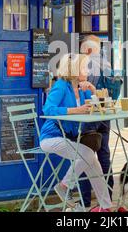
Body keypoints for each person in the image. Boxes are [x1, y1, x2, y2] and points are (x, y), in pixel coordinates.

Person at [39, 53, 112, 212]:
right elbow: (48, 109)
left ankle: (106, 207)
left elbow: (97, 107)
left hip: (71, 137)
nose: (87, 71)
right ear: (74, 69)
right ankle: (65, 184)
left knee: (93, 161)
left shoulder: (82, 88)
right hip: (52, 137)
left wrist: (93, 90)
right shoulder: (61, 85)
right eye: (84, 67)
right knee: (87, 155)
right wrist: (75, 110)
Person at [78, 35, 114, 211]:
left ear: (88, 50)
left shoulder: (87, 64)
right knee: (104, 156)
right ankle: (107, 200)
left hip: (90, 116)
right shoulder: (107, 64)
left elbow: (82, 91)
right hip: (105, 115)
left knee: (85, 156)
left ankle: (84, 202)